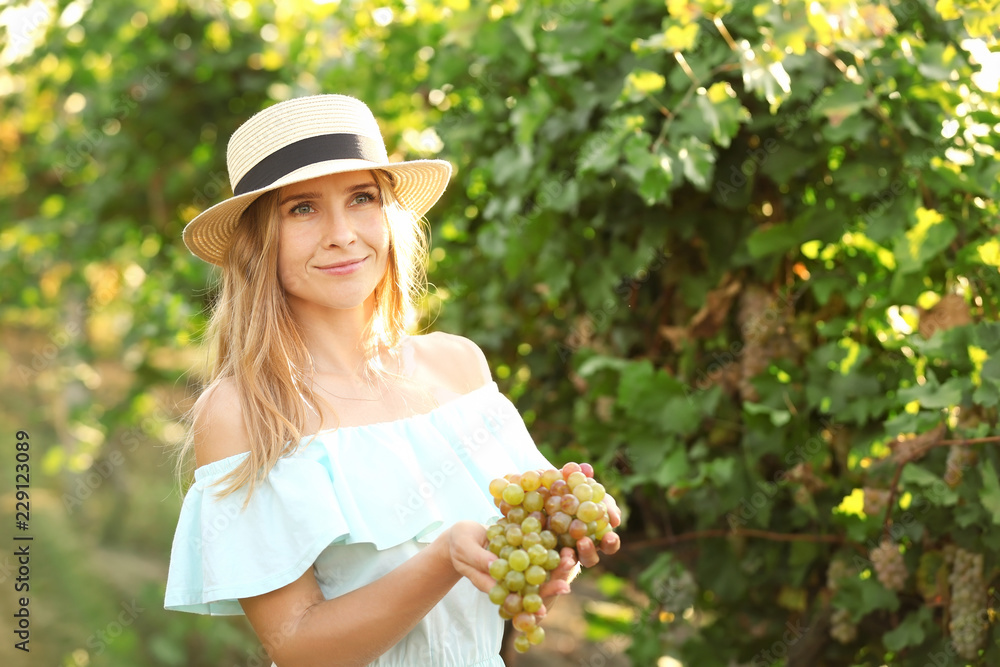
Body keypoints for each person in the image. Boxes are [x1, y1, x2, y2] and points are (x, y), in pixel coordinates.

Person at [164, 94, 621, 667]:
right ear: (258, 242)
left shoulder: (458, 367)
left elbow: (518, 553)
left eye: (363, 199)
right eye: (302, 209)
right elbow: (297, 646)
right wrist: (442, 560)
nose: (341, 234)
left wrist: (558, 544)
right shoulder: (244, 411)